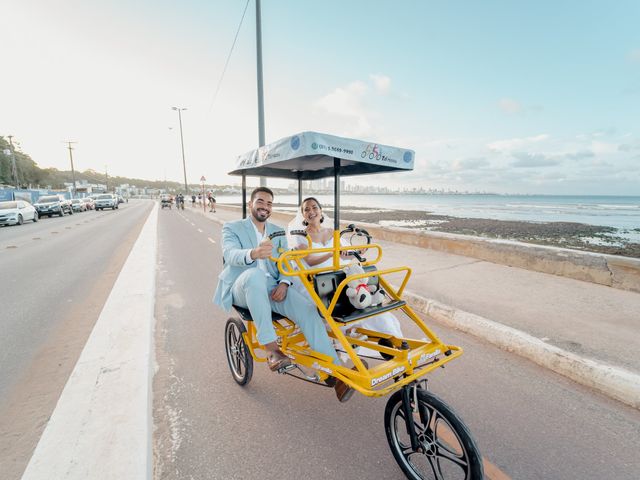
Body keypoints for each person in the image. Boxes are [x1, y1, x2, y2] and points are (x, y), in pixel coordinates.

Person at [213, 187, 355, 402]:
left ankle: (336, 374)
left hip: (271, 286)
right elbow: (230, 254)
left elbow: (286, 260)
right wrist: (253, 253)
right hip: (241, 285)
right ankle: (272, 349)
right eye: (260, 202)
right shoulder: (232, 227)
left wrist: (286, 282)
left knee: (308, 310)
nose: (265, 207)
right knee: (254, 277)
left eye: (269, 203)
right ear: (251, 204)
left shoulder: (277, 230)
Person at [288, 197, 403, 357]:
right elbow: (310, 260)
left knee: (371, 304)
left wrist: (358, 251)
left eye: (314, 207)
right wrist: (331, 253)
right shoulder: (302, 236)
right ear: (303, 215)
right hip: (319, 279)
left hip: (340, 275)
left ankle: (394, 341)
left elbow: (347, 256)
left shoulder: (332, 232)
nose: (311, 212)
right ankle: (343, 340)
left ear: (321, 211)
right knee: (341, 306)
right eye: (306, 209)